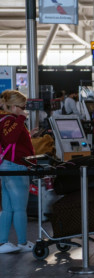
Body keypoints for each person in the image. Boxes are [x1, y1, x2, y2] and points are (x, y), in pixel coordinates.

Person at [0, 90, 35, 254]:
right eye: (22, 106)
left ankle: (3, 242)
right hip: (15, 166)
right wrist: (22, 118)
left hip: (7, 166)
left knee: (7, 208)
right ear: (14, 107)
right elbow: (9, 138)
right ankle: (22, 242)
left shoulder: (5, 120)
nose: (25, 109)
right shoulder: (10, 119)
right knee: (20, 208)